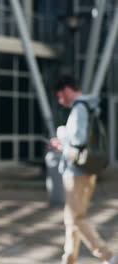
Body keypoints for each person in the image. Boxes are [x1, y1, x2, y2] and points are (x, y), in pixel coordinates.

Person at [50, 75, 116, 264]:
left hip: (77, 173)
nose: (60, 101)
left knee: (76, 218)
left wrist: (61, 140)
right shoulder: (88, 106)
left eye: (59, 96)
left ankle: (108, 255)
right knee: (72, 218)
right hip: (84, 171)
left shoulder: (79, 108)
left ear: (67, 90)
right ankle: (69, 259)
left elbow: (78, 141)